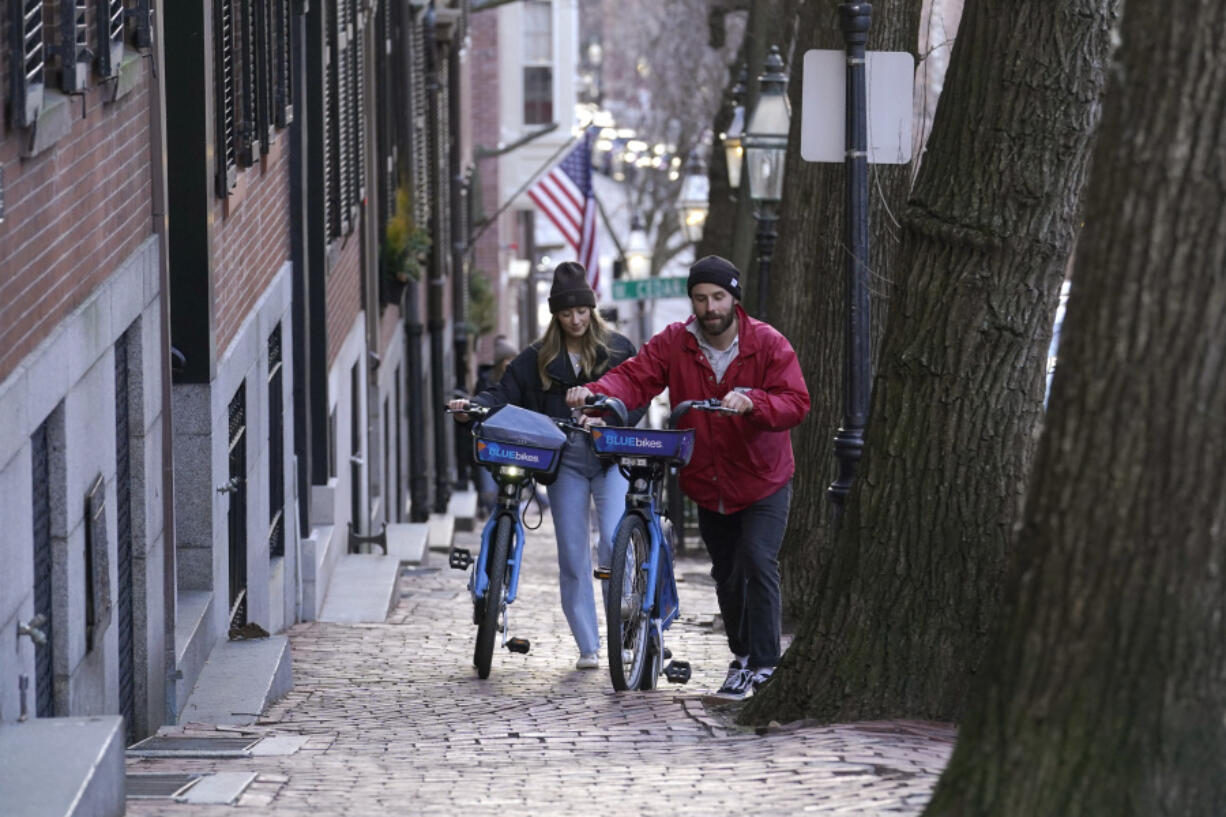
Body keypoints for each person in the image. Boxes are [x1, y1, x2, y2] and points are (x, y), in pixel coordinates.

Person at [566, 255, 809, 699]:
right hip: (709, 482)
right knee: (728, 574)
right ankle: (741, 660)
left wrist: (755, 402)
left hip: (763, 479)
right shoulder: (676, 342)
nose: (709, 306)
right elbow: (635, 377)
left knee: (758, 560)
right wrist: (596, 393)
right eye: (700, 298)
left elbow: (796, 401)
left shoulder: (768, 343)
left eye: (718, 297)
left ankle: (767, 665)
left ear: (734, 299)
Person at [449, 261, 642, 671]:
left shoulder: (619, 349)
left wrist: (611, 417)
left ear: (592, 310)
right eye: (568, 313)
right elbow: (503, 394)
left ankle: (625, 624)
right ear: (555, 314)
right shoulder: (536, 358)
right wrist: (473, 408)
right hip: (565, 463)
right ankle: (589, 646)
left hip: (609, 458)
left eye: (583, 311)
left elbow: (637, 396)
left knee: (612, 539)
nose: (576, 320)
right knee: (572, 554)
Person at [471, 336, 519, 518]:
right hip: (490, 441)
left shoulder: (519, 381)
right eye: (507, 359)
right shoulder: (486, 382)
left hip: (511, 441)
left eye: (513, 359)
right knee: (489, 492)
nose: (510, 363)